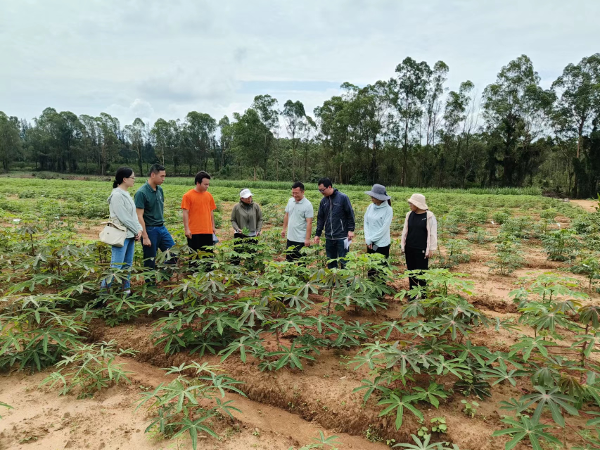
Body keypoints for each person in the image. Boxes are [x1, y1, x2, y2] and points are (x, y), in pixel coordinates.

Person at [101, 167, 143, 293]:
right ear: (125, 179)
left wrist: (139, 229)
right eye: (132, 178)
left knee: (127, 266)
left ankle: (126, 291)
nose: (134, 180)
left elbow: (133, 216)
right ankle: (103, 295)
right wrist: (137, 230)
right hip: (121, 235)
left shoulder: (126, 194)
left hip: (130, 234)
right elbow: (124, 218)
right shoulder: (116, 195)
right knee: (116, 267)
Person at [134, 164, 175, 271]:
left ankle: (163, 275)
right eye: (161, 176)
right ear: (153, 175)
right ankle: (150, 284)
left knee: (173, 253)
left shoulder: (160, 190)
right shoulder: (141, 193)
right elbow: (139, 216)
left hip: (161, 227)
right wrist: (145, 236)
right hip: (149, 229)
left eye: (164, 176)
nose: (164, 179)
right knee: (150, 260)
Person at [401, 193, 438, 298]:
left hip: (421, 249)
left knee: (422, 273)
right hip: (410, 248)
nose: (410, 205)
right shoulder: (409, 214)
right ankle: (412, 294)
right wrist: (403, 245)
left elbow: (433, 234)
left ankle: (423, 295)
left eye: (411, 203)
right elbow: (405, 231)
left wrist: (431, 248)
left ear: (417, 204)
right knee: (411, 272)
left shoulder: (429, 216)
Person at [314, 177, 355, 269]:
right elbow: (320, 218)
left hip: (342, 236)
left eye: (322, 190)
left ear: (329, 187)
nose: (321, 192)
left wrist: (351, 229)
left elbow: (350, 214)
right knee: (331, 261)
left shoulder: (343, 198)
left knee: (344, 260)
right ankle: (333, 281)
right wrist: (318, 234)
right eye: (319, 190)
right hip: (329, 237)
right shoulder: (323, 201)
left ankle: (345, 281)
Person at [181, 171, 217, 257]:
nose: (207, 186)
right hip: (194, 231)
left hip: (207, 230)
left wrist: (213, 226)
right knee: (194, 256)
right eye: (205, 184)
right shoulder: (188, 196)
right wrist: (187, 229)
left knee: (208, 256)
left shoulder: (209, 196)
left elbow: (211, 211)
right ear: (198, 183)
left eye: (208, 184)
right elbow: (185, 213)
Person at [363, 184, 393, 278]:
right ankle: (371, 288)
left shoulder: (388, 210)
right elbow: (366, 222)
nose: (371, 198)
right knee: (371, 266)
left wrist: (371, 239)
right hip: (370, 243)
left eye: (373, 196)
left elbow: (383, 229)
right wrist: (367, 239)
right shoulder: (370, 207)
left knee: (381, 267)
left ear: (380, 198)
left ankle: (380, 292)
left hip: (381, 244)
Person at [281, 182, 313, 262]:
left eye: (296, 193)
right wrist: (284, 229)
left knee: (301, 262)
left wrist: (307, 239)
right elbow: (287, 215)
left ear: (303, 192)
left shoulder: (308, 205)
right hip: (290, 237)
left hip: (300, 239)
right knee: (288, 261)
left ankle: (300, 275)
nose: (294, 195)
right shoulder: (290, 201)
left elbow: (309, 222)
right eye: (293, 193)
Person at [231, 188, 263, 264]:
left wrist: (258, 230)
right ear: (241, 198)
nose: (249, 199)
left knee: (251, 255)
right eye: (247, 198)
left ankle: (250, 270)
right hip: (240, 234)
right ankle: (234, 271)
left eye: (250, 197)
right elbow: (233, 220)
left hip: (253, 234)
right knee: (237, 254)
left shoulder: (256, 207)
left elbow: (260, 219)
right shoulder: (236, 207)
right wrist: (238, 229)